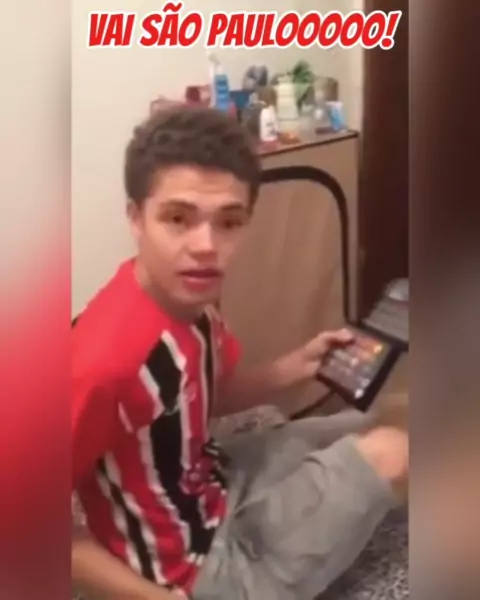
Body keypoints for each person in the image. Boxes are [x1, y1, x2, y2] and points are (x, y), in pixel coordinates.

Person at [72, 105, 408, 600]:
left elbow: (207, 394)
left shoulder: (191, 302)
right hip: (194, 571)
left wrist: (300, 364)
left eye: (229, 222)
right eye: (178, 218)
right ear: (135, 218)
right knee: (396, 452)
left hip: (213, 480)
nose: (206, 247)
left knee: (386, 420)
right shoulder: (100, 359)